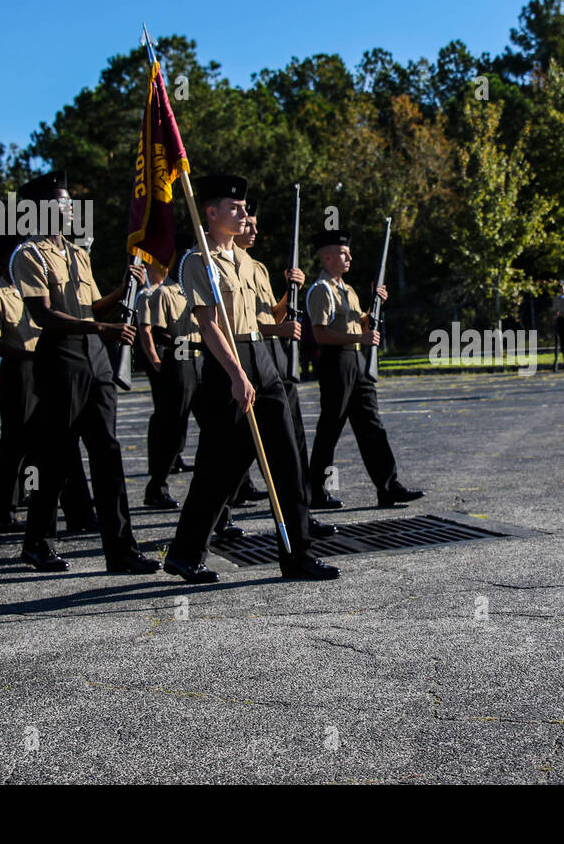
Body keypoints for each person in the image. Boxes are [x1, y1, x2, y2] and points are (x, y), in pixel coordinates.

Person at [162, 174, 338, 583]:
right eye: (235, 208)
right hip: (229, 364)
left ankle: (297, 556)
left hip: (263, 358)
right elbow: (209, 326)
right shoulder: (196, 261)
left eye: (244, 209)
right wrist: (238, 374)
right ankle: (185, 554)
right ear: (210, 213)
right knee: (218, 470)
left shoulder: (250, 263)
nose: (244, 214)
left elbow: (263, 321)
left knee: (288, 464)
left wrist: (286, 298)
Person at [10, 170, 159, 574]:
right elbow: (43, 315)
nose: (71, 209)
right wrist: (101, 328)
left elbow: (93, 307)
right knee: (56, 455)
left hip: (94, 355)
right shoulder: (29, 255)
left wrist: (123, 286)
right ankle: (38, 542)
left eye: (70, 203)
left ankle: (121, 549)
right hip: (61, 356)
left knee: (108, 451)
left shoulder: (78, 254)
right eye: (62, 203)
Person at [0, 236, 96, 531]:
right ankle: (3, 510)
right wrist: (27, 354)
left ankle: (72, 509)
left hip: (48, 364)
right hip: (21, 369)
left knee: (54, 441)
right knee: (16, 443)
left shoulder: (32, 287)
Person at [237, 198, 336, 539]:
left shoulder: (258, 267)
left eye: (253, 223)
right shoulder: (223, 264)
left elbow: (272, 315)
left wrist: (289, 290)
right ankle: (218, 519)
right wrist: (276, 329)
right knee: (241, 452)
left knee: (294, 444)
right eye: (248, 223)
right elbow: (241, 325)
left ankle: (302, 518)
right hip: (252, 359)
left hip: (276, 361)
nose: (253, 229)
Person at [307, 229, 423, 509]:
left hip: (356, 361)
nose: (350, 257)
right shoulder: (320, 290)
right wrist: (359, 337)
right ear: (328, 257)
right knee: (330, 428)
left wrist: (375, 304)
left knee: (372, 425)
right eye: (344, 253)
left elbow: (364, 325)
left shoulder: (347, 290)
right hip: (336, 361)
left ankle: (388, 486)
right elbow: (320, 334)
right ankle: (315, 490)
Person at [139, 256, 201, 509]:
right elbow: (155, 332)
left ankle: (236, 488)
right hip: (178, 361)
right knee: (172, 425)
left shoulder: (197, 290)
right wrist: (155, 358)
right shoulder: (162, 293)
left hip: (200, 361)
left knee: (216, 427)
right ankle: (157, 486)